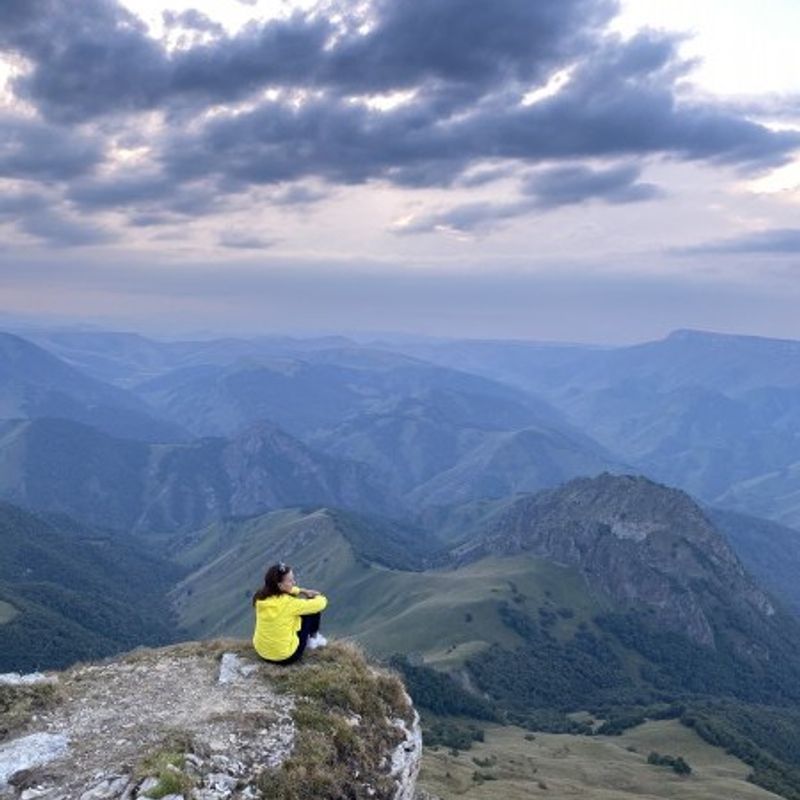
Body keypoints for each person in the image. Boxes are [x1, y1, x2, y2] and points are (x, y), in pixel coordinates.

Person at [252, 562, 328, 665]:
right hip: (286, 657)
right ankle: (313, 640)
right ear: (279, 585)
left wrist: (302, 591)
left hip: (262, 652)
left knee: (295, 613)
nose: (294, 582)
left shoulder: (260, 598)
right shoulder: (289, 604)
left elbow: (287, 590)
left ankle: (308, 638)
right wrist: (317, 596)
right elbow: (320, 604)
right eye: (290, 580)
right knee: (311, 610)